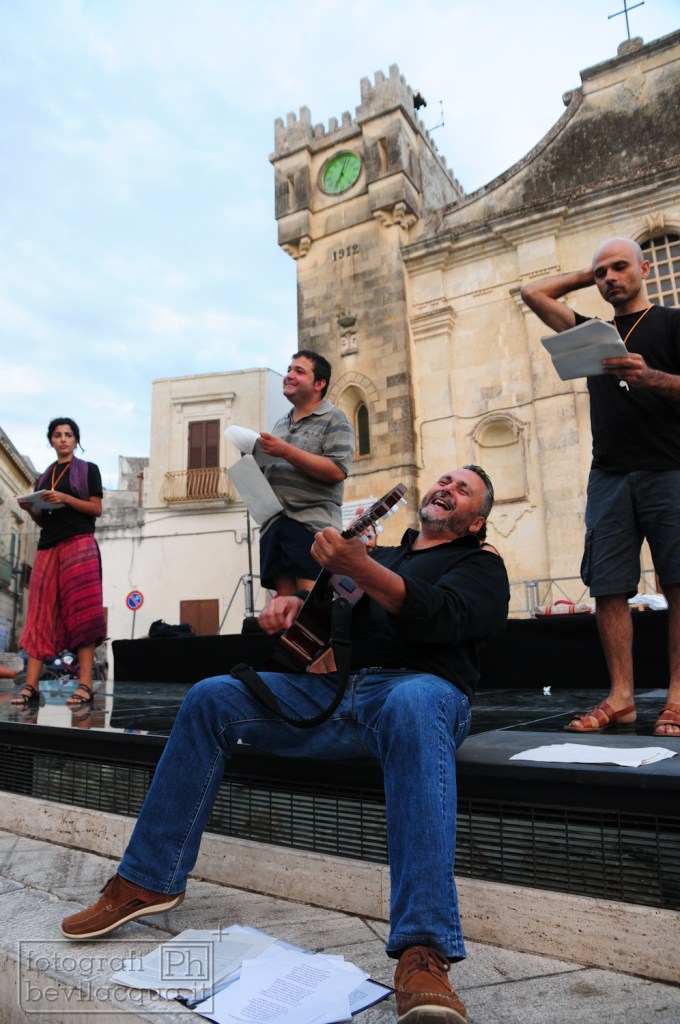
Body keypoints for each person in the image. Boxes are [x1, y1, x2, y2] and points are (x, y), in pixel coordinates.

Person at [61, 465, 509, 1024]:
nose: (446, 488)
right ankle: (147, 880)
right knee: (211, 696)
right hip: (343, 695)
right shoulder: (388, 556)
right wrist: (300, 609)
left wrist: (361, 567)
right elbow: (339, 628)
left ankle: (424, 951)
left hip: (425, 695)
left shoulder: (480, 564)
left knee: (413, 703)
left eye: (463, 489)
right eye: (444, 480)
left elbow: (441, 617)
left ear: (477, 521)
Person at [521, 237, 680, 737]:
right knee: (608, 586)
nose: (609, 277)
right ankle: (622, 698)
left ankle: (678, 698)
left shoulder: (672, 323)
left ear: (645, 269)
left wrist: (650, 376)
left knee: (678, 583)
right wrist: (584, 274)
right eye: (601, 272)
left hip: (670, 468)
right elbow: (532, 293)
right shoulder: (593, 333)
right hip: (608, 474)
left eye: (619, 267)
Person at [12, 418, 106, 708]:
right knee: (39, 615)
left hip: (79, 543)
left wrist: (65, 497)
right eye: (57, 435)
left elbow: (96, 508)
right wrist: (30, 509)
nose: (63, 439)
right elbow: (43, 520)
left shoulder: (88, 469)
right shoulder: (44, 476)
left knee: (83, 613)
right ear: (51, 440)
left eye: (68, 434)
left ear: (76, 440)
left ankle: (85, 685)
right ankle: (31, 686)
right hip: (48, 546)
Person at [258, 350, 354, 596]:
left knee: (309, 607)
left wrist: (285, 450)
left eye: (299, 371)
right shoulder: (281, 422)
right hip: (275, 525)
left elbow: (337, 470)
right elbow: (278, 466)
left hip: (310, 527)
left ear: (319, 384)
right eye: (289, 370)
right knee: (285, 610)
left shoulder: (336, 419)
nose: (289, 375)